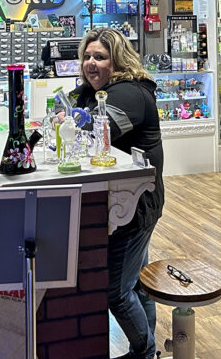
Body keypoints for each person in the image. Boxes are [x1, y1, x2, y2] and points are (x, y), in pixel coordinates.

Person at [72, 28, 164, 359]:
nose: (90, 63)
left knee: (117, 291)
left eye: (100, 57)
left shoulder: (129, 92)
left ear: (118, 61)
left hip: (136, 206)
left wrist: (71, 119)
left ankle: (145, 350)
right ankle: (147, 348)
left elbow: (97, 130)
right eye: (86, 56)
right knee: (136, 282)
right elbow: (71, 115)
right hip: (124, 201)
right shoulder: (95, 91)